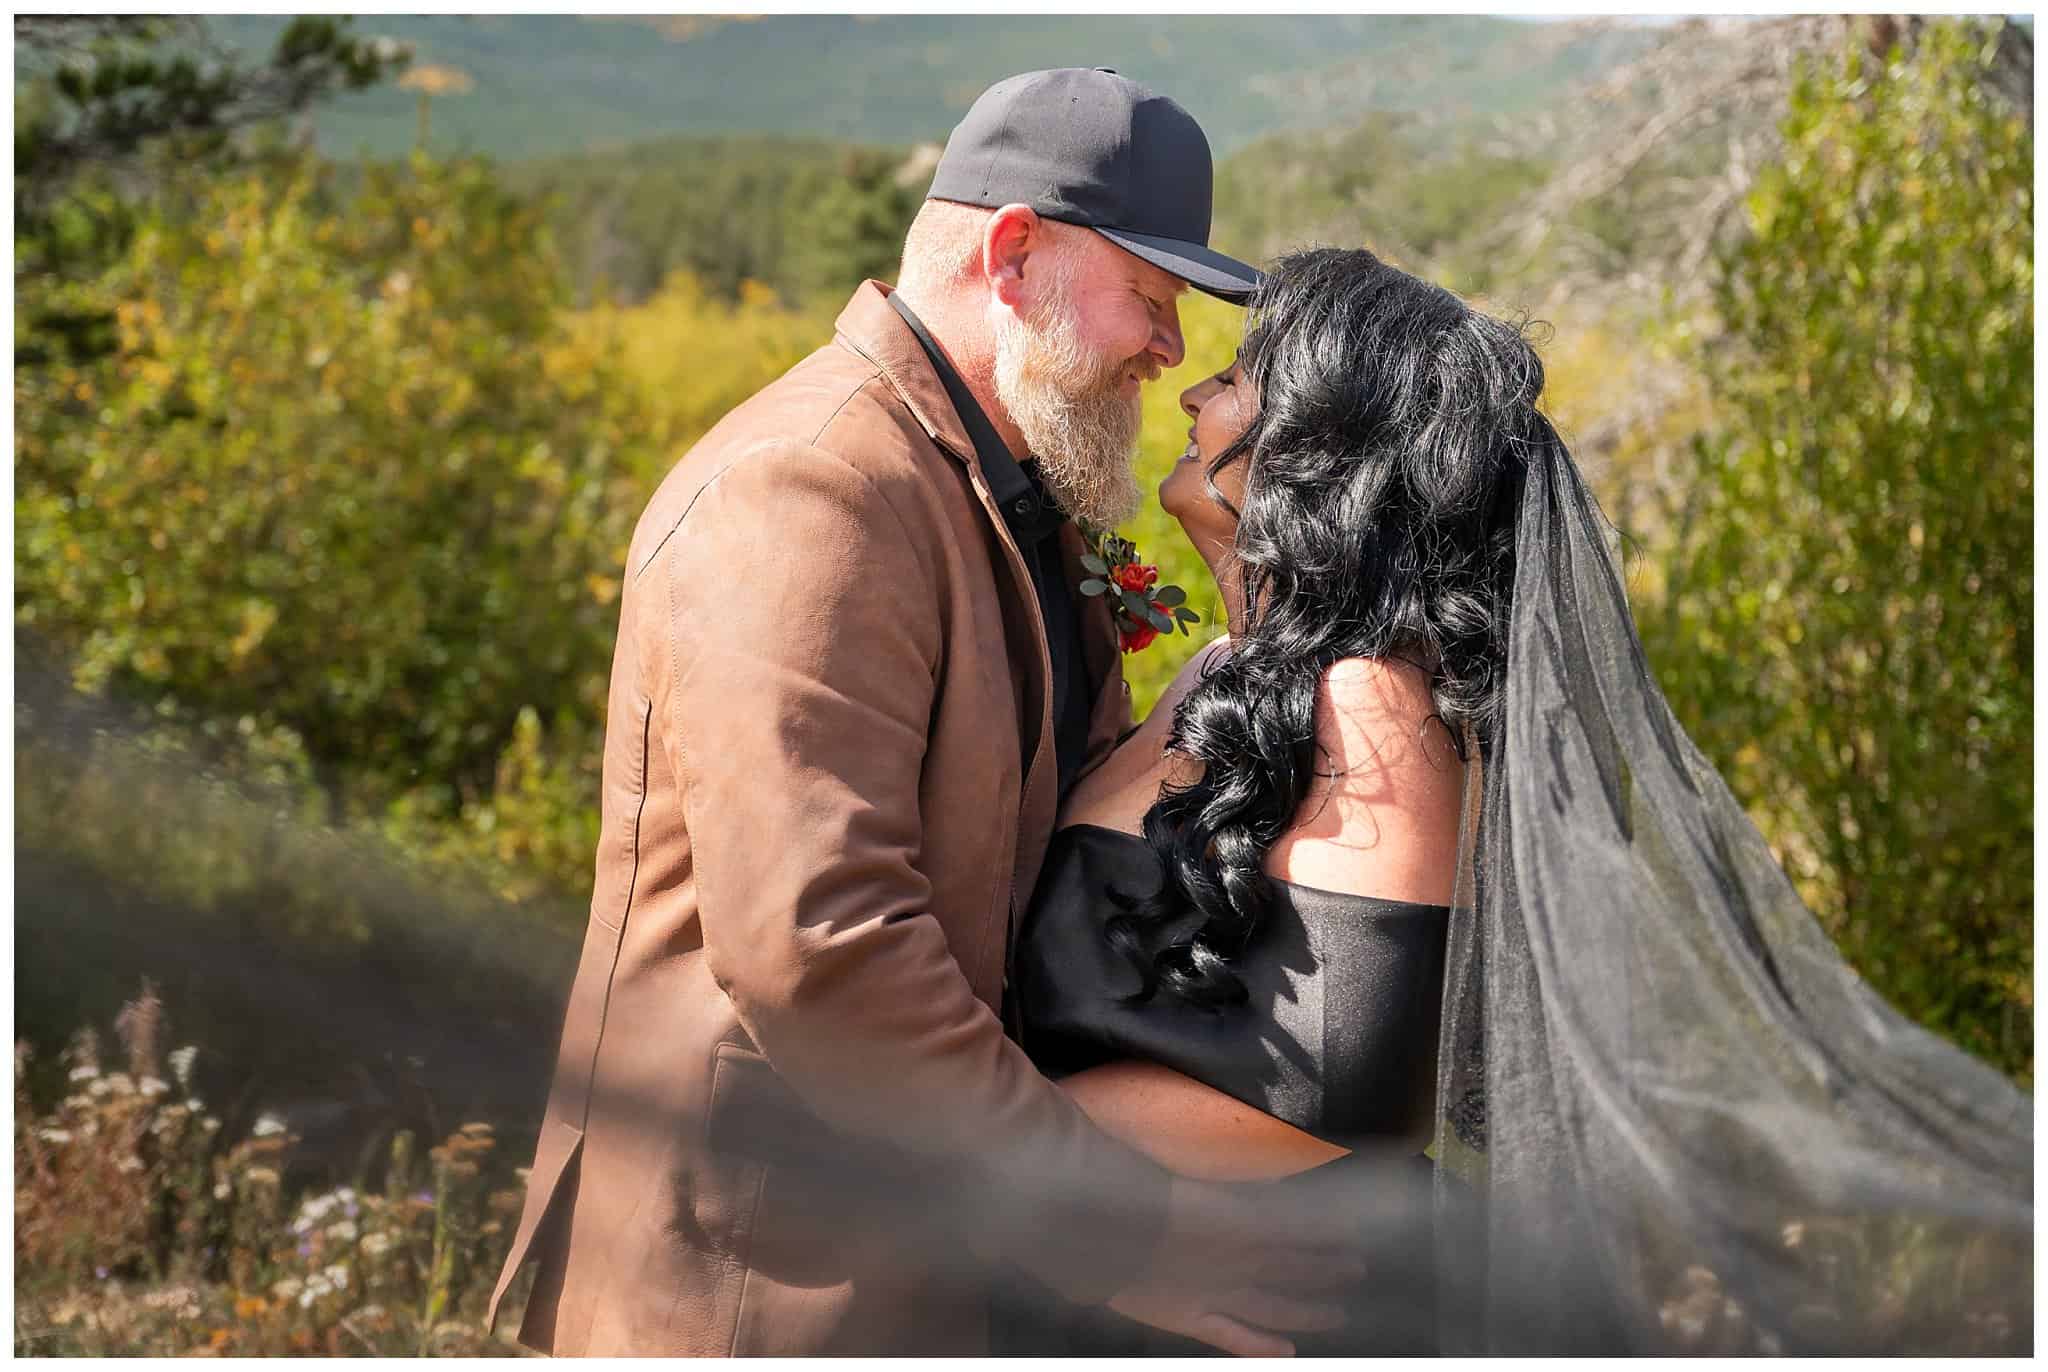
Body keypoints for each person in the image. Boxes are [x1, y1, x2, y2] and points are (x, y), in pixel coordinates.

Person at [991, 246, 2033, 1354]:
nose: (1196, 384)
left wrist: (978, 1113)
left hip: (1262, 1310)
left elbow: (1350, 1075)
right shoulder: (1225, 675)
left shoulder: (1370, 707)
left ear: (1319, 452)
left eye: (1242, 377)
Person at [483, 69, 1363, 1357]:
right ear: (1013, 256)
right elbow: (823, 945)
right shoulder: (811, 489)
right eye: (1151, 297)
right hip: (765, 1277)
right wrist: (1122, 1234)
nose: (1171, 349)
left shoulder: (1003, 485)